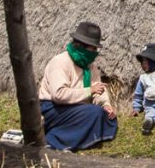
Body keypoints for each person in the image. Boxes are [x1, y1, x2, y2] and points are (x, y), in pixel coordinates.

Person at [38, 21, 118, 151]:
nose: (94, 52)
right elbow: (59, 95)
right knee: (93, 113)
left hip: (76, 107)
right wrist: (89, 91)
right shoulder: (60, 62)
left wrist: (106, 105)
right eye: (92, 48)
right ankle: (52, 140)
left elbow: (98, 89)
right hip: (52, 108)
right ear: (81, 45)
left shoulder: (91, 66)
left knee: (105, 116)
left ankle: (72, 134)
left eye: (95, 49)